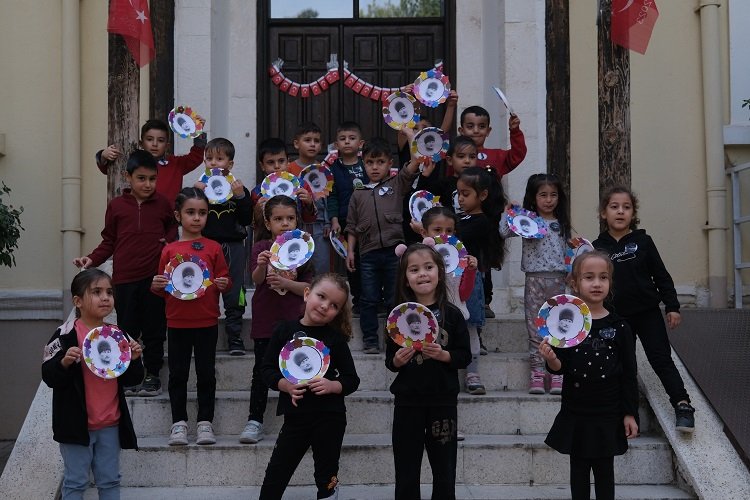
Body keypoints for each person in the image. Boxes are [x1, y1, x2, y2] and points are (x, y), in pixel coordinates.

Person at [593, 185, 695, 433]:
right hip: (616, 316)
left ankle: (682, 405)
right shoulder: (597, 247)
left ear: (633, 214)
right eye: (614, 207)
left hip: (647, 312)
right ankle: (626, 413)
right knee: (623, 366)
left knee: (661, 359)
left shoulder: (643, 242)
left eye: (626, 207)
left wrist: (672, 306)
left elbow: (661, 275)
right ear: (604, 213)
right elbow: (592, 283)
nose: (620, 212)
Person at [74, 150, 175, 397]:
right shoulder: (117, 206)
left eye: (152, 179)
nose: (148, 184)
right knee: (127, 328)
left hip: (155, 279)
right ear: (128, 177)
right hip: (125, 279)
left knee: (154, 329)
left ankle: (152, 375)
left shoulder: (162, 204)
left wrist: (168, 242)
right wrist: (91, 259)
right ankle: (130, 375)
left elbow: (172, 230)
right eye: (141, 178)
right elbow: (108, 241)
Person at [539, 251, 639, 500]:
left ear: (610, 283)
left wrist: (629, 413)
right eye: (589, 277)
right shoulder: (567, 324)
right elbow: (560, 367)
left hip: (608, 411)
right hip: (577, 410)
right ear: (575, 283)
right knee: (579, 471)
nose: (596, 283)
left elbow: (629, 372)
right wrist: (551, 359)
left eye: (603, 277)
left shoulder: (620, 326)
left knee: (605, 471)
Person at [42, 269, 144, 499]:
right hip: (75, 426)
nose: (106, 297)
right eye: (96, 292)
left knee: (109, 481)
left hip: (110, 424)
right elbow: (48, 376)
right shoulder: (64, 335)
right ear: (77, 301)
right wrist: (64, 363)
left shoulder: (117, 335)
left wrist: (135, 361)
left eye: (109, 292)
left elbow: (132, 380)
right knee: (76, 482)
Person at [259, 273, 360, 499]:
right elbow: (266, 369)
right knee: (277, 472)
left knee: (327, 476)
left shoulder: (335, 339)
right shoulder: (284, 331)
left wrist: (333, 386)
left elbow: (351, 379)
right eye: (321, 296)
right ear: (307, 294)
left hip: (330, 417)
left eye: (334, 305)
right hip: (296, 417)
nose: (325, 306)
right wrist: (284, 385)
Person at [386, 242, 471, 500]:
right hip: (407, 401)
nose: (422, 273)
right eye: (414, 269)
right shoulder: (397, 317)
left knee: (444, 467)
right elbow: (390, 361)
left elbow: (464, 356)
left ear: (439, 272)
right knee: (406, 467)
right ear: (406, 279)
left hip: (442, 400)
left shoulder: (453, 315)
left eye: (428, 267)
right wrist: (399, 360)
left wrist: (444, 355)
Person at [151, 187, 231, 446]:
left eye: (202, 213)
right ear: (178, 215)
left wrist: (223, 284)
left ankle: (205, 423)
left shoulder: (214, 247)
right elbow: (163, 288)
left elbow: (226, 281)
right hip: (176, 321)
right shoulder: (169, 250)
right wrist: (157, 286)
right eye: (190, 212)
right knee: (178, 374)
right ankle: (179, 424)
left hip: (207, 320)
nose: (197, 218)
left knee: (206, 373)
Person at [239, 195, 314, 445]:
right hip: (265, 318)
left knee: (296, 368)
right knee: (262, 370)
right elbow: (257, 280)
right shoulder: (261, 247)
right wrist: (261, 266)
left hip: (294, 318)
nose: (285, 223)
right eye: (278, 219)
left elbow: (309, 287)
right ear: (268, 222)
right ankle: (254, 420)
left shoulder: (304, 249)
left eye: (290, 218)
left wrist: (286, 283)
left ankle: (297, 417)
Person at [346, 138, 421, 353]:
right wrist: (350, 251)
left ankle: (394, 337)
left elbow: (415, 163)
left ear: (390, 163)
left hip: (393, 252)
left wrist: (408, 133)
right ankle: (370, 339)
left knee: (393, 297)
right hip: (367, 253)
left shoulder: (396, 185)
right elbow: (351, 226)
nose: (375, 167)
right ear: (363, 164)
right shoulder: (358, 194)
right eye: (370, 162)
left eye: (380, 162)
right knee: (368, 298)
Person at [499, 173, 571, 395]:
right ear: (533, 196)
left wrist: (572, 274)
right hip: (534, 280)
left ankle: (556, 373)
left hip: (558, 281)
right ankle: (537, 373)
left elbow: (569, 252)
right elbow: (503, 232)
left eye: (553, 195)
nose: (549, 200)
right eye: (543, 195)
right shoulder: (526, 222)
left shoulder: (562, 224)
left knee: (558, 327)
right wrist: (508, 212)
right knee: (535, 327)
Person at [457, 105, 528, 319]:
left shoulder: (495, 155)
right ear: (461, 130)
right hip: (465, 220)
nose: (476, 131)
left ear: (488, 131)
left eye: (481, 127)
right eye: (470, 126)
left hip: (490, 220)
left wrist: (514, 131)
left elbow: (517, 155)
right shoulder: (459, 156)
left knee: (484, 262)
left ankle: (485, 301)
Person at [418, 206, 483, 395]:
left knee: (471, 336)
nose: (444, 235)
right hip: (431, 314)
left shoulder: (460, 257)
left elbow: (464, 293)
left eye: (449, 231)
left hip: (458, 310)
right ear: (424, 233)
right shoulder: (418, 258)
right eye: (437, 231)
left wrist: (470, 271)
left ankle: (472, 373)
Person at [196, 138, 252, 356]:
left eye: (219, 158)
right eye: (209, 158)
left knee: (234, 290)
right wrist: (196, 195)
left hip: (234, 245)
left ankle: (234, 337)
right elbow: (188, 218)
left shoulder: (239, 189)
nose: (213, 163)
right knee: (205, 288)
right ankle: (205, 336)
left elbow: (246, 219)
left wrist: (240, 197)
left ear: (230, 163)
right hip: (206, 245)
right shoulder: (199, 188)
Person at [455, 167, 506, 362]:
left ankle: (476, 346)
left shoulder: (482, 221)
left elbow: (459, 237)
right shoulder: (461, 217)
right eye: (458, 193)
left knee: (472, 314)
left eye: (465, 194)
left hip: (472, 276)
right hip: (456, 276)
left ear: (483, 195)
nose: (460, 198)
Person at [95, 119, 206, 203]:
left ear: (167, 146)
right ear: (141, 143)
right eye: (149, 139)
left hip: (168, 223)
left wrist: (198, 132)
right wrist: (104, 155)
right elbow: (108, 169)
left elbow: (195, 157)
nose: (154, 144)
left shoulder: (176, 164)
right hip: (139, 218)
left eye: (160, 140)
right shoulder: (134, 160)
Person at [328, 122, 367, 312]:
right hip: (344, 221)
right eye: (342, 139)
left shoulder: (367, 165)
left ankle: (374, 298)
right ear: (336, 145)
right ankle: (358, 300)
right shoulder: (333, 170)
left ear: (360, 143)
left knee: (368, 259)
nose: (347, 142)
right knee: (352, 261)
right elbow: (332, 196)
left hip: (367, 221)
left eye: (352, 138)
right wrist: (334, 219)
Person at [250, 138, 316, 243]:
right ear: (262, 166)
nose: (277, 166)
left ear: (288, 162)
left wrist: (309, 203)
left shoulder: (301, 186)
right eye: (270, 162)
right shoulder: (257, 192)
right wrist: (257, 211)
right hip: (268, 243)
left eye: (281, 161)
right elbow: (255, 226)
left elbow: (310, 220)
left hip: (297, 242)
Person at [289, 122, 332, 275]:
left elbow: (328, 198)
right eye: (307, 140)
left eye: (316, 141)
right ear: (296, 144)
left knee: (321, 265)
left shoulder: (324, 170)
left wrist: (328, 221)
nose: (312, 144)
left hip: (319, 225)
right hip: (295, 224)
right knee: (297, 266)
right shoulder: (289, 169)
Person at [416, 135, 477, 217]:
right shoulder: (443, 185)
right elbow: (422, 199)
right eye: (461, 156)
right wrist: (425, 175)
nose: (467, 161)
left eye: (472, 157)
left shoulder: (480, 183)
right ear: (450, 160)